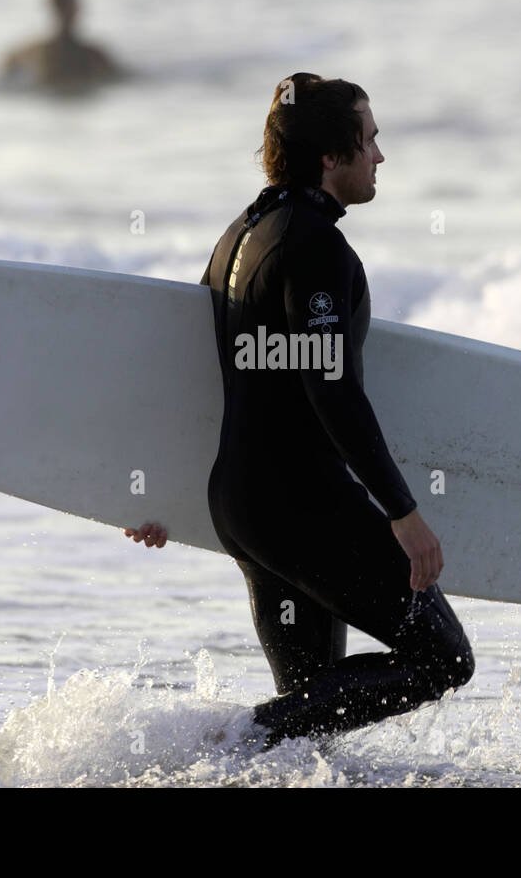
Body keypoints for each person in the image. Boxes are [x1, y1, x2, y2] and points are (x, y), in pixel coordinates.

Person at [126, 73, 474, 748]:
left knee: (303, 736)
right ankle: (224, 743)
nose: (380, 156)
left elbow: (200, 378)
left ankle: (232, 749)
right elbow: (331, 388)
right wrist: (404, 515)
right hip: (299, 503)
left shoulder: (239, 237)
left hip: (245, 507)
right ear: (330, 157)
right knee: (443, 659)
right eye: (369, 140)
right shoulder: (313, 245)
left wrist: (158, 492)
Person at [1, 0, 121, 91]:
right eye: (66, 7)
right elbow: (8, 63)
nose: (68, 13)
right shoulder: (38, 52)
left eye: (70, 7)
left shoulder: (93, 55)